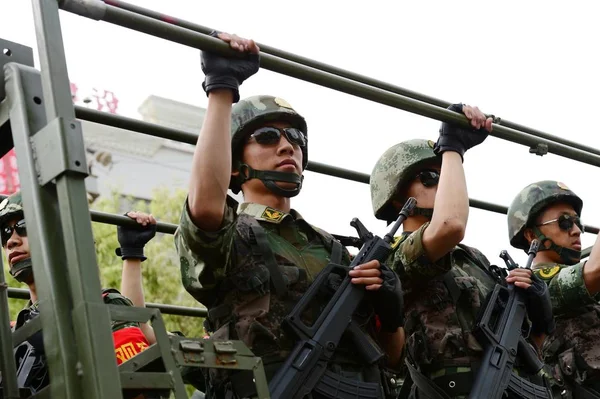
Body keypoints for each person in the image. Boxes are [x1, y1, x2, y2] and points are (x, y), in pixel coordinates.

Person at [175, 31, 405, 398]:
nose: (288, 146)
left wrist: (391, 315)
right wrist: (222, 87)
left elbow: (393, 357)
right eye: (267, 136)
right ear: (235, 166)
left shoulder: (332, 249)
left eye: (296, 139)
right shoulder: (233, 233)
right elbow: (204, 205)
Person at [369, 107, 554, 398]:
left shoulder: (474, 259)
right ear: (395, 195)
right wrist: (452, 148)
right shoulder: (393, 256)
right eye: (430, 177)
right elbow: (451, 224)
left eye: (445, 176)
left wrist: (540, 323)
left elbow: (528, 351)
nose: (444, 184)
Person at [0, 192, 158, 395]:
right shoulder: (16, 330)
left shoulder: (95, 308)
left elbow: (135, 376)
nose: (11, 241)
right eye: (5, 233)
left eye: (23, 225)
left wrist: (132, 254)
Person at [507, 180, 600, 398]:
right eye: (565, 222)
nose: (577, 231)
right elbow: (596, 271)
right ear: (531, 235)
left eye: (578, 223)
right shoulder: (534, 284)